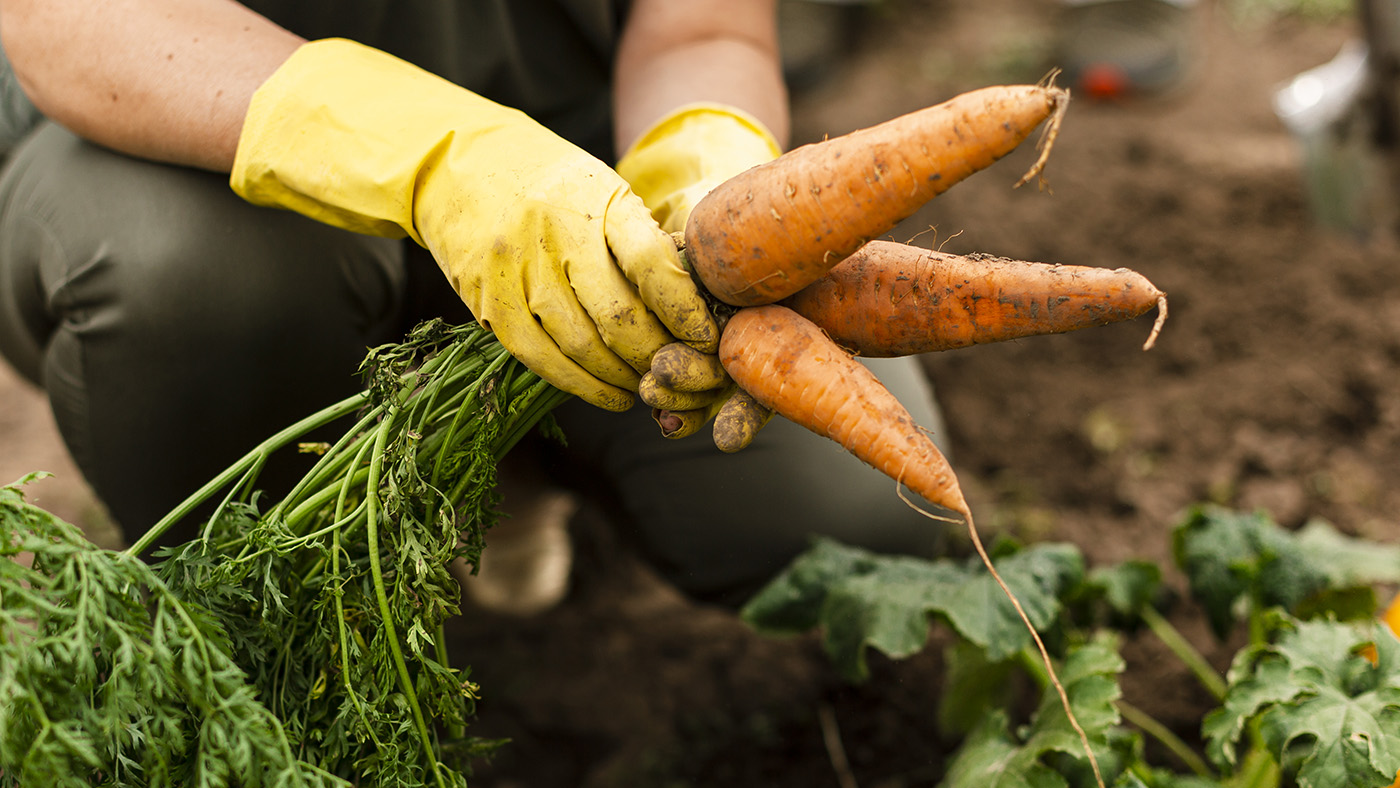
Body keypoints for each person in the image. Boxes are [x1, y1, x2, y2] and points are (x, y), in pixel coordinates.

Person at [0, 0, 947, 607]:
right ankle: (264, 622)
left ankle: (510, 473)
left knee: (860, 525)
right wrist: (434, 151)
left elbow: (703, 29)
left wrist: (701, 185)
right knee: (182, 283)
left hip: (584, 168)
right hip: (204, 155)